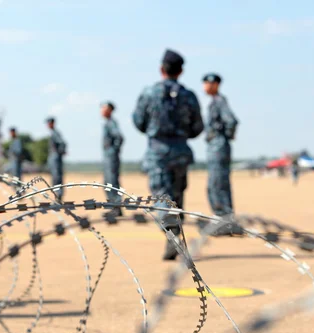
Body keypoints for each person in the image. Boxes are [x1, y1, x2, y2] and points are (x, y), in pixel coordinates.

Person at [132, 49, 204, 260]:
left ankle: (171, 231)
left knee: (162, 197)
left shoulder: (149, 93)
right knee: (178, 197)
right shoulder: (188, 96)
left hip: (158, 152)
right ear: (180, 71)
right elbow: (198, 126)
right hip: (180, 151)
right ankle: (174, 236)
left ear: (161, 69)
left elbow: (139, 121)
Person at [202, 73, 241, 233]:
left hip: (218, 145)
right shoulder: (215, 102)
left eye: (208, 83)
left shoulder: (219, 101)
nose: (205, 86)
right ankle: (224, 220)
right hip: (216, 145)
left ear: (215, 84)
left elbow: (231, 120)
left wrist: (223, 137)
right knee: (216, 183)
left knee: (217, 183)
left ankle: (224, 221)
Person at [100, 101, 124, 217]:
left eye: (103, 108)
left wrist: (113, 151)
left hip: (111, 157)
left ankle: (117, 207)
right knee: (108, 182)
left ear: (109, 110)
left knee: (112, 182)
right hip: (108, 157)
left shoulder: (111, 123)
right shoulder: (108, 123)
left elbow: (119, 137)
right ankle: (114, 207)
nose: (101, 110)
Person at [46, 117, 66, 201]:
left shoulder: (55, 133)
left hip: (55, 157)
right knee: (54, 177)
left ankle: (59, 195)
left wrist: (59, 153)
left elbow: (62, 143)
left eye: (49, 123)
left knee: (57, 177)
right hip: (54, 157)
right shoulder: (53, 133)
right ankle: (57, 196)